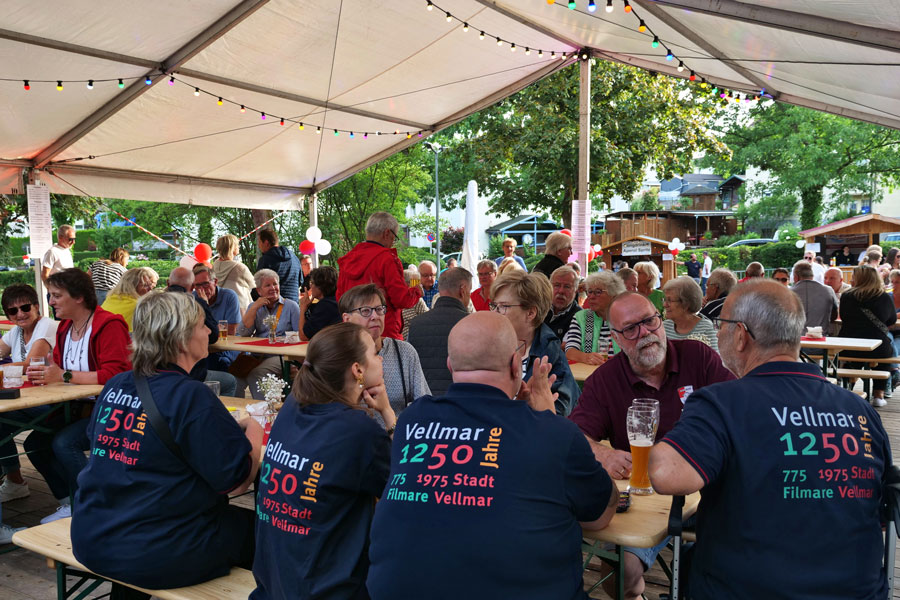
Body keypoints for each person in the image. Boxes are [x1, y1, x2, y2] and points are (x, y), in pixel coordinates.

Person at [650, 279, 891, 600]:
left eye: (721, 325)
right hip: (857, 591)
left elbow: (666, 475)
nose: (717, 333)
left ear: (740, 336)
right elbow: (883, 512)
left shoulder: (721, 403)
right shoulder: (860, 410)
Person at [367, 312, 618, 600]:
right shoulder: (553, 433)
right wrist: (547, 419)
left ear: (450, 366)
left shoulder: (413, 420)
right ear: (515, 364)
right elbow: (601, 515)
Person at [71, 291, 262, 597]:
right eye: (202, 325)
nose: (210, 332)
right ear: (182, 338)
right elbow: (237, 481)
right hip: (159, 549)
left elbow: (123, 443)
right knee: (269, 532)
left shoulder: (117, 384)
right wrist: (255, 428)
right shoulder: (189, 395)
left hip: (94, 535)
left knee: (149, 529)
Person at [569, 292, 734, 599]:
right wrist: (602, 453)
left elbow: (738, 410)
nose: (645, 333)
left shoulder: (697, 357)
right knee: (620, 575)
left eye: (649, 321)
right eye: (631, 329)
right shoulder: (605, 380)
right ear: (616, 338)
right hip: (647, 499)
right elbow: (574, 437)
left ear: (661, 319)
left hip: (711, 492)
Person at [251, 322, 393, 599]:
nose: (380, 358)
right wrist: (388, 414)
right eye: (374, 353)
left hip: (274, 585)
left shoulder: (293, 406)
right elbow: (404, 491)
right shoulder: (357, 432)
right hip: (327, 590)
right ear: (358, 370)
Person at [24, 268, 131, 524]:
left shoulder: (109, 324)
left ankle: (100, 505)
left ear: (79, 297)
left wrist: (64, 376)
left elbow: (117, 374)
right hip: (74, 407)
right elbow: (60, 369)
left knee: (64, 443)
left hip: (112, 410)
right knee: (34, 443)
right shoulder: (64, 329)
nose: (50, 302)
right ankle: (70, 502)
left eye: (56, 296)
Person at [490, 270, 579, 415]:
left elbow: (559, 412)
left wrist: (529, 408)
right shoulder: (490, 346)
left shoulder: (550, 353)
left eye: (504, 306)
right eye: (494, 305)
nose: (495, 313)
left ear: (531, 313)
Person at [0, 284, 58, 503]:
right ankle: (15, 482)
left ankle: (15, 483)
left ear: (36, 307)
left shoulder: (47, 326)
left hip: (54, 402)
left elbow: (28, 365)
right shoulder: (16, 332)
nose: (20, 314)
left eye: (25, 307)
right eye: (12, 311)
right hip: (29, 399)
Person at [340, 284, 430, 415]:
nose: (375, 316)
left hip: (396, 433)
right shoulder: (338, 355)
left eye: (379, 309)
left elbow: (424, 404)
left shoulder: (404, 352)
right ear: (347, 319)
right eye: (365, 311)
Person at [336, 212, 423, 340]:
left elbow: (340, 298)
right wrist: (417, 291)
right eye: (394, 237)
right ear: (387, 233)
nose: (393, 242)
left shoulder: (348, 259)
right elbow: (401, 299)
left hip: (354, 334)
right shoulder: (387, 259)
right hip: (384, 333)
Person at [407, 267, 472, 397]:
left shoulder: (416, 324)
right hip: (461, 400)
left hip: (424, 401)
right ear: (463, 290)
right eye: (469, 291)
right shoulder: (472, 324)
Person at [236, 269, 301, 399]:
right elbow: (243, 333)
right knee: (235, 379)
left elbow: (300, 336)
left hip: (282, 355)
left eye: (275, 284)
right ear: (259, 291)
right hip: (257, 356)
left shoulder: (291, 306)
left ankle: (265, 413)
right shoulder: (254, 307)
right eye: (268, 285)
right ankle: (238, 412)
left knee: (256, 374)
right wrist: (254, 308)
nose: (273, 288)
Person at [838, 265, 896, 406]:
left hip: (849, 346)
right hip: (877, 347)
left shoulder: (847, 296)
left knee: (851, 358)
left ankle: (848, 389)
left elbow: (844, 317)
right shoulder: (883, 296)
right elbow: (892, 320)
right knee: (884, 355)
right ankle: (878, 395)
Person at [564, 271, 625, 365]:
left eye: (598, 292)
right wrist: (586, 357)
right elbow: (570, 351)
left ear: (613, 295)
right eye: (590, 292)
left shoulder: (626, 317)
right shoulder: (581, 317)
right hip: (590, 375)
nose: (591, 297)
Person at [191, 264, 241, 377]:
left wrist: (205, 306)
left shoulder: (229, 296)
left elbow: (231, 331)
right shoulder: (193, 298)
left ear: (215, 281)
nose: (202, 289)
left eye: (206, 284)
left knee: (218, 362)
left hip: (227, 348)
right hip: (205, 348)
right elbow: (192, 331)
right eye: (197, 285)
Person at [662, 276, 718, 351]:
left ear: (686, 304)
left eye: (670, 300)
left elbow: (716, 361)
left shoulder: (707, 329)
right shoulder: (664, 327)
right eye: (665, 300)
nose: (664, 305)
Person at [791, 260, 838, 336]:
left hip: (796, 340)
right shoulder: (828, 290)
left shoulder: (788, 293)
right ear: (812, 276)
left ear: (796, 277)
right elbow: (834, 315)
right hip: (822, 339)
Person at [213, 234, 256, 316]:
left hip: (221, 308)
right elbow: (255, 284)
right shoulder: (239, 268)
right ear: (232, 247)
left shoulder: (214, 266)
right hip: (240, 308)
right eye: (237, 245)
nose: (239, 247)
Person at [256, 229, 302, 303]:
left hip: (275, 306)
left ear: (266, 243)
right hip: (294, 304)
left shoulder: (266, 260)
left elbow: (258, 285)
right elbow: (300, 281)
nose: (259, 246)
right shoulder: (294, 258)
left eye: (260, 242)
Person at [298, 265, 341, 341]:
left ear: (320, 287)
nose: (311, 287)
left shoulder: (325, 306)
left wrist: (303, 307)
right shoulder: (338, 300)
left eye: (312, 283)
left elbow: (304, 336)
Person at [544, 266, 581, 343]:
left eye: (567, 287)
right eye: (557, 285)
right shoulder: (540, 309)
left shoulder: (579, 317)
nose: (561, 291)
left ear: (576, 291)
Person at [400, 266, 428, 340]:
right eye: (415, 282)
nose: (419, 286)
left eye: (419, 282)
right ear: (405, 283)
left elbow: (426, 319)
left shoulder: (418, 300)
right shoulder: (398, 299)